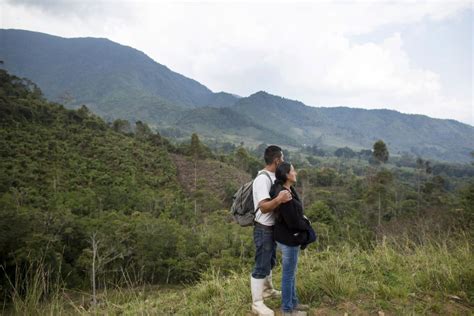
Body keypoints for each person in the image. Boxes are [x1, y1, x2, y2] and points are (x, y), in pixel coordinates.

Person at [250, 145, 293, 316]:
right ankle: (257, 303)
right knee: (261, 265)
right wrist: (279, 199)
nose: (283, 161)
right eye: (282, 158)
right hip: (263, 228)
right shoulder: (262, 179)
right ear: (276, 160)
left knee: (270, 261)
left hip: (271, 228)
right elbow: (264, 207)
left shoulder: (274, 177)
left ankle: (267, 290)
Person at [270, 162, 311, 315]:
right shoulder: (285, 195)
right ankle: (287, 310)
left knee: (291, 273)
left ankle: (293, 303)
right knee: (288, 275)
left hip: (285, 237)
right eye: (293, 170)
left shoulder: (287, 190)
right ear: (287, 175)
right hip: (289, 239)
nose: (296, 172)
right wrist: (306, 224)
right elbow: (293, 222)